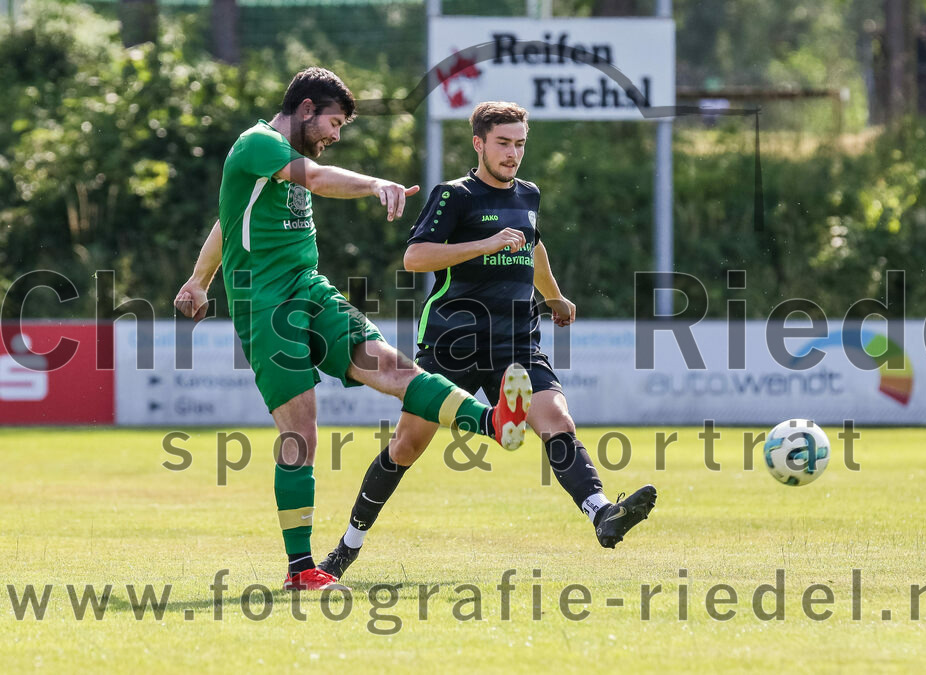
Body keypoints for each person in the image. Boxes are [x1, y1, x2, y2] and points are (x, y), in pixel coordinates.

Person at [173, 68, 532, 592]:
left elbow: (229, 220)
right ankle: (302, 570)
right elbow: (310, 183)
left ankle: (494, 422)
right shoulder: (256, 144)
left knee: (392, 366)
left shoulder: (272, 162)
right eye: (333, 123)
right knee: (301, 434)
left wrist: (198, 281)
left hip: (309, 289)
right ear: (305, 109)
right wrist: (376, 185)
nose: (335, 136)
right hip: (267, 307)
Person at [317, 101, 657, 581]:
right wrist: (484, 243)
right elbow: (415, 257)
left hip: (517, 341)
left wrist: (555, 297)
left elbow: (533, 244)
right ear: (478, 143)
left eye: (520, 143)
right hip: (451, 342)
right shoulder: (454, 195)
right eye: (503, 143)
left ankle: (601, 512)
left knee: (556, 419)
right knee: (406, 446)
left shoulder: (530, 195)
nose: (513, 153)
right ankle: (346, 549)